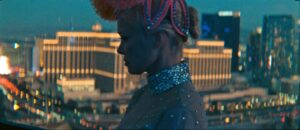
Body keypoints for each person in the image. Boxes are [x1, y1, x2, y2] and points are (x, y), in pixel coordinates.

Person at [92, 0, 208, 129]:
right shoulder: (142, 95)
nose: (120, 49)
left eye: (126, 38)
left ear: (159, 39)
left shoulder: (181, 111)